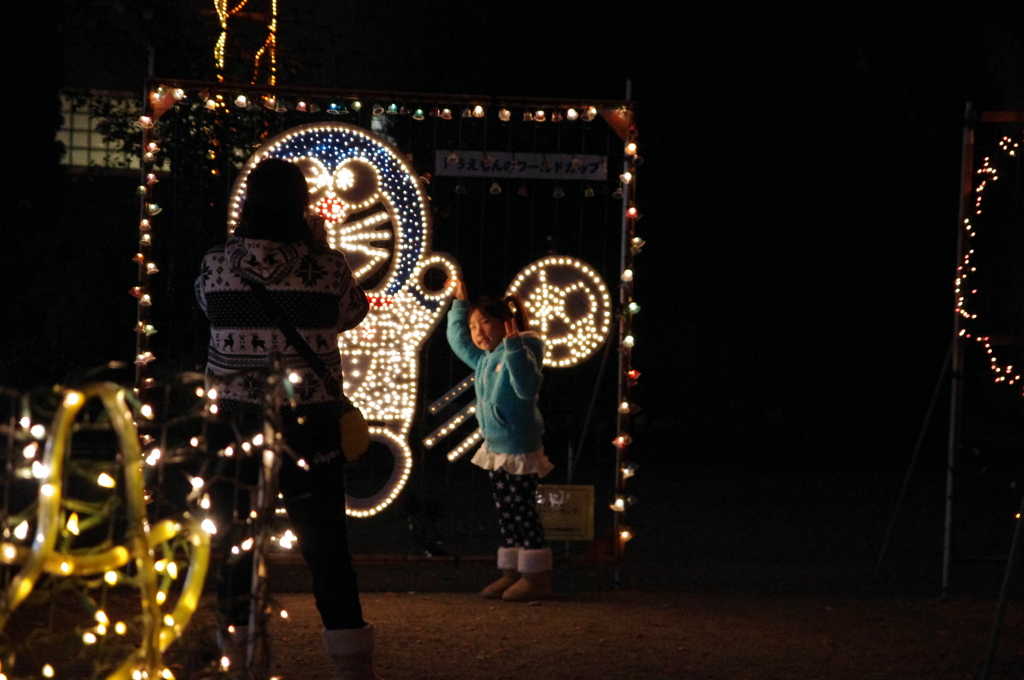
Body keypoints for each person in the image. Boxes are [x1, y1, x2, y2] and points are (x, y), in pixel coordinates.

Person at [195, 158, 383, 680]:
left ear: (248, 203)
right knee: (326, 545)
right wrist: (316, 252)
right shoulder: (329, 268)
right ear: (301, 206)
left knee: (236, 541)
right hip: (311, 423)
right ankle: (351, 664)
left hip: (233, 421)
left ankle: (240, 661)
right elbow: (353, 314)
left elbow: (206, 308)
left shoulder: (218, 264)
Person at [446, 278, 555, 601]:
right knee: (506, 510)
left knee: (523, 509)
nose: (478, 332)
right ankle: (512, 572)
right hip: (496, 448)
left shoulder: (522, 348)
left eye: (485, 322)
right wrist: (458, 307)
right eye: (473, 326)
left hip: (519, 448)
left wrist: (513, 347)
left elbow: (526, 388)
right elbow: (457, 340)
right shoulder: (484, 359)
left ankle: (536, 576)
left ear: (506, 321)